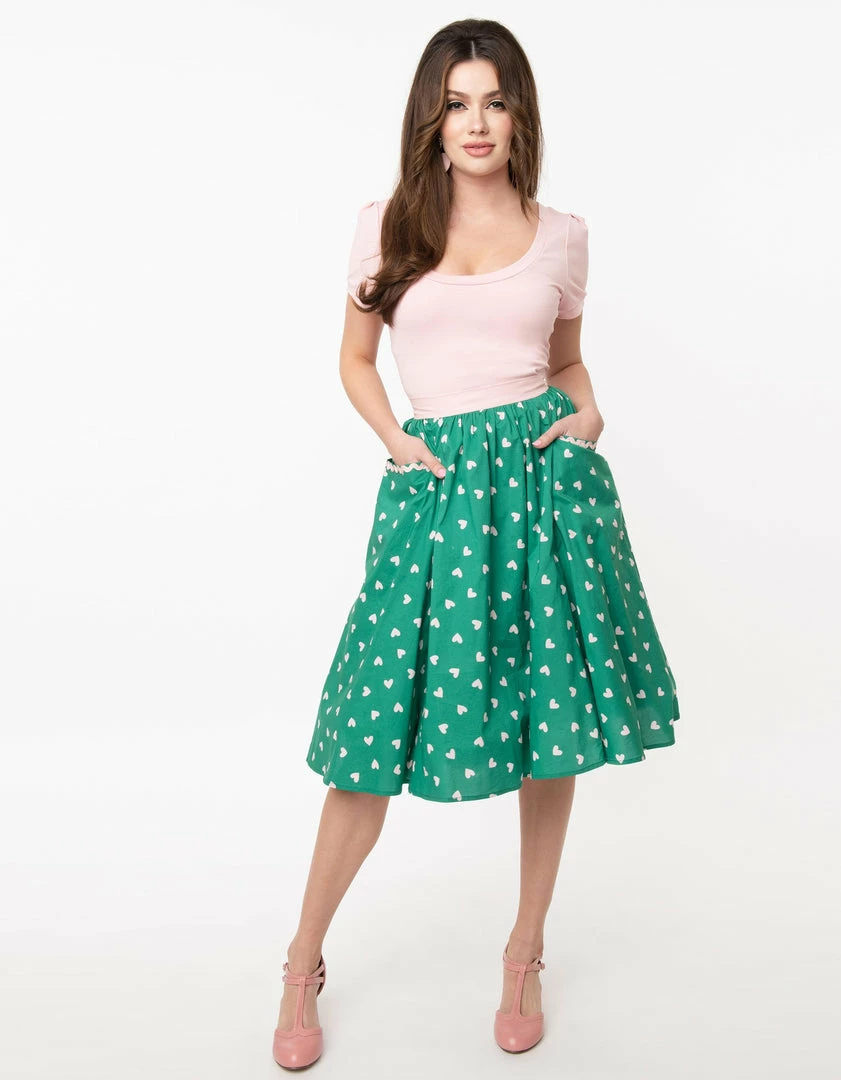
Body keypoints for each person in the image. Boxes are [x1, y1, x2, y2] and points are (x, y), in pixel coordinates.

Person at [272, 17, 680, 1070]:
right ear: (431, 118)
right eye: (456, 104)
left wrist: (588, 414)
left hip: (544, 494)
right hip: (437, 488)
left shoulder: (564, 235)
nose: (477, 122)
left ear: (520, 114)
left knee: (553, 724)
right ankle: (303, 960)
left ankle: (524, 951)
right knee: (371, 734)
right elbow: (355, 358)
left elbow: (568, 362)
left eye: (494, 101)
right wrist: (397, 440)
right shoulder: (387, 226)